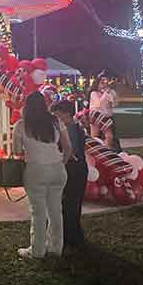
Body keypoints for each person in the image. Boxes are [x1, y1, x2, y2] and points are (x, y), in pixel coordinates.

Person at [12, 91, 72, 260]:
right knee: (56, 211)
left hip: (35, 170)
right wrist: (61, 163)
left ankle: (37, 251)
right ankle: (56, 248)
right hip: (58, 169)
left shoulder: (21, 125)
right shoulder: (56, 121)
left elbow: (16, 152)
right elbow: (68, 148)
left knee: (38, 212)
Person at [51, 100, 88, 249]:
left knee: (69, 205)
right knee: (72, 204)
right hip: (79, 169)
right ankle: (74, 236)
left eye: (57, 115)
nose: (55, 119)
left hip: (74, 169)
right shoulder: (76, 126)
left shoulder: (69, 130)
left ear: (66, 114)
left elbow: (71, 153)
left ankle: (71, 237)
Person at [88, 73, 117, 146]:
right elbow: (98, 104)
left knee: (109, 136)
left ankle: (107, 148)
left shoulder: (110, 92)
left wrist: (111, 96)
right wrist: (105, 94)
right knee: (95, 136)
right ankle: (95, 149)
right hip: (96, 115)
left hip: (107, 116)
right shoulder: (93, 93)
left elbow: (114, 104)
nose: (104, 84)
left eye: (106, 82)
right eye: (102, 83)